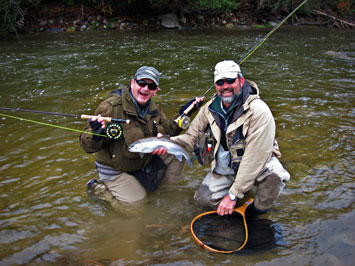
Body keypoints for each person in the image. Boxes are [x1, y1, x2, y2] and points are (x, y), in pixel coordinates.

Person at [170, 60, 290, 216]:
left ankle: (257, 211)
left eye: (230, 80)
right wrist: (164, 143)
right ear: (215, 85)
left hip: (258, 165)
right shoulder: (208, 109)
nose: (225, 86)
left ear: (241, 80)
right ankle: (239, 193)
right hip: (226, 168)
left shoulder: (259, 111)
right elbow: (191, 138)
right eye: (220, 82)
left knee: (275, 177)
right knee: (202, 201)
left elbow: (255, 158)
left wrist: (233, 195)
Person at [79, 66, 203, 214]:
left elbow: (168, 131)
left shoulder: (154, 107)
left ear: (155, 90)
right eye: (141, 83)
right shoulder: (110, 107)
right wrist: (96, 132)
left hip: (141, 162)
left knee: (180, 146)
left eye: (151, 86)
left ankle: (164, 189)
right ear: (132, 83)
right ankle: (99, 189)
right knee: (136, 209)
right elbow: (86, 146)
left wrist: (185, 112)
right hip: (116, 170)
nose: (145, 89)